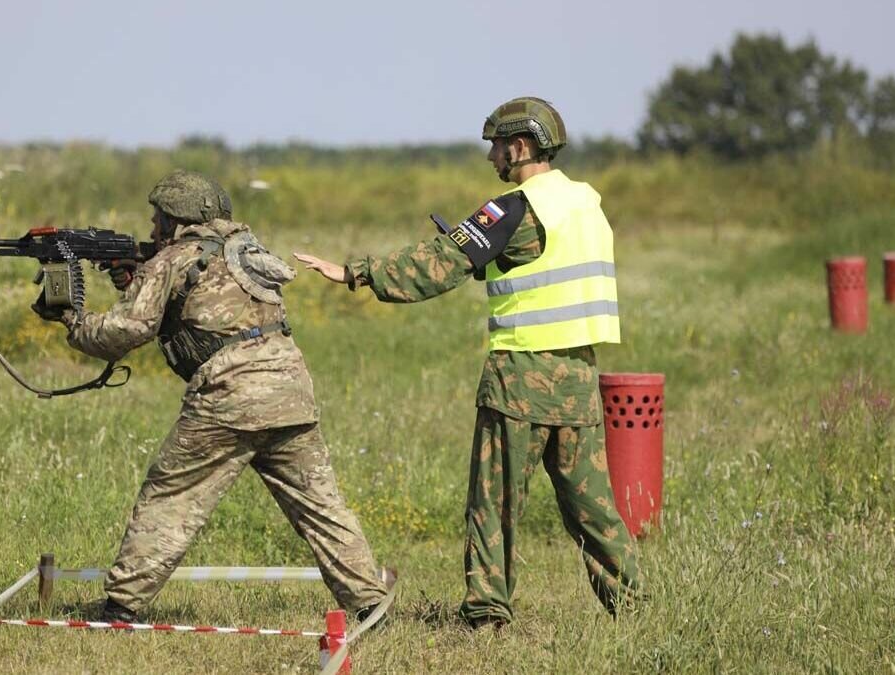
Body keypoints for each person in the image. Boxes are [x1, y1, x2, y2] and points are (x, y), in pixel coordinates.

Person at [295, 97, 639, 628]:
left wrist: (354, 272)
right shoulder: (586, 203)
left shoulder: (511, 209)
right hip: (579, 379)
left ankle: (486, 615)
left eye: (497, 147)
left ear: (520, 146)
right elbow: (543, 263)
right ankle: (634, 606)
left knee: (496, 504)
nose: (492, 158)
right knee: (593, 509)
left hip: (521, 379)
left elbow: (437, 265)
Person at [32, 169, 388, 622]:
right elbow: (210, 307)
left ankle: (120, 608)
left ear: (177, 221)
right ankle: (371, 604)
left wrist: (71, 320)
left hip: (229, 397)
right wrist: (140, 279)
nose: (151, 228)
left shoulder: (174, 259)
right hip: (290, 392)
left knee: (171, 497)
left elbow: (127, 330)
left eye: (157, 218)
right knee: (322, 507)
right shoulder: (247, 250)